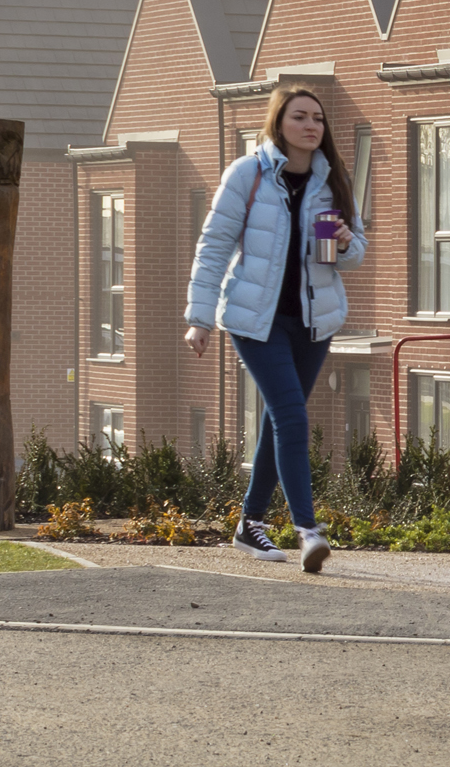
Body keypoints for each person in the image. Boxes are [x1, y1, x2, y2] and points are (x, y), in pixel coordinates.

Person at [185, 84, 365, 572]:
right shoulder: (248, 174)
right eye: (299, 117)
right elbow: (214, 247)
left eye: (318, 119)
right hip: (255, 320)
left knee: (279, 418)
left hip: (312, 323)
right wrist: (200, 318)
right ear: (278, 124)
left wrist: (344, 243)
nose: (311, 126)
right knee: (291, 416)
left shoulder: (332, 179)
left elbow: (352, 255)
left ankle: (250, 524)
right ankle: (309, 530)